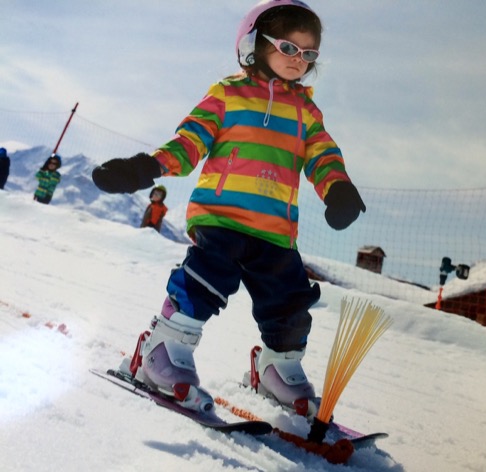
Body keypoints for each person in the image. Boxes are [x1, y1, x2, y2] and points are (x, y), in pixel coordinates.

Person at [91, 0, 366, 417]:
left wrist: (338, 188)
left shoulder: (306, 111)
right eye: (289, 48)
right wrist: (145, 167)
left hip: (275, 229)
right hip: (222, 217)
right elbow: (190, 143)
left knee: (290, 300)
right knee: (206, 281)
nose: (299, 61)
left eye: (309, 54)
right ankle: (163, 351)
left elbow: (323, 155)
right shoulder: (228, 93)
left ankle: (278, 367)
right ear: (254, 43)